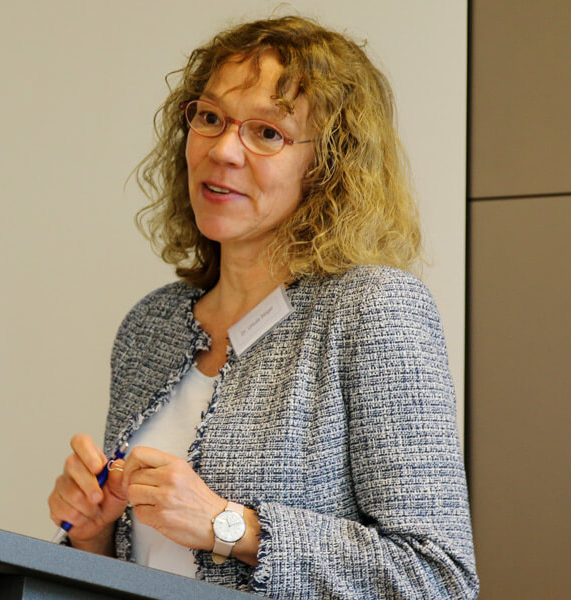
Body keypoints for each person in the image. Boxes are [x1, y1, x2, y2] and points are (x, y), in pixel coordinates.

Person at [47, 15, 478, 600]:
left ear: (327, 164)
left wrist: (230, 526)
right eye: (210, 118)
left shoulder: (374, 310)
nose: (223, 150)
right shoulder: (150, 327)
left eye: (267, 132)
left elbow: (439, 577)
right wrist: (93, 538)